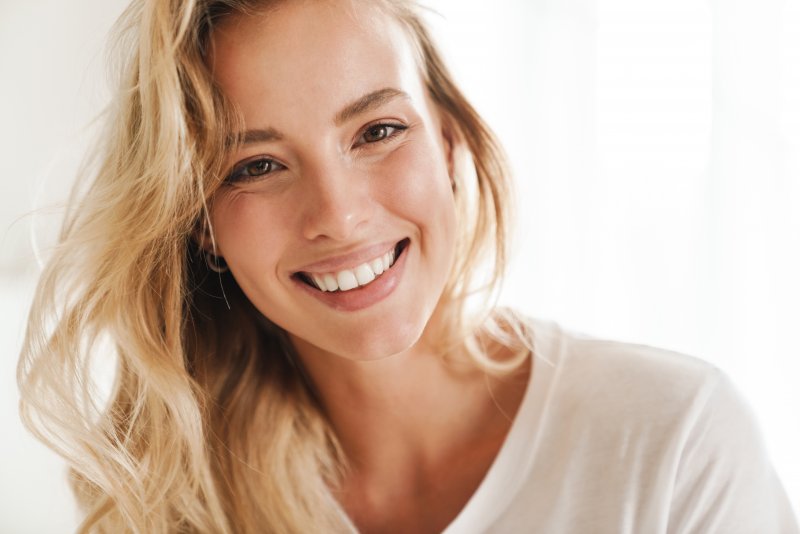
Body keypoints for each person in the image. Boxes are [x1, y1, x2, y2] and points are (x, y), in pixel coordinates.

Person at [17, 0, 797, 532]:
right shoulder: (176, 501)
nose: (339, 214)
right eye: (254, 167)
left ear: (453, 141)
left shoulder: (673, 442)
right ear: (200, 224)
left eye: (378, 130)